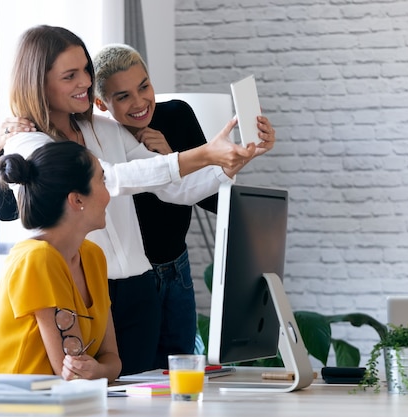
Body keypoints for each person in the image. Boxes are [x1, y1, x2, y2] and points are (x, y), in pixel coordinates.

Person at [0, 25, 261, 376]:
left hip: (140, 287)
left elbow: (172, 188)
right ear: (38, 83)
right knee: (101, 397)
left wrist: (231, 161)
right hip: (87, 293)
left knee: (149, 398)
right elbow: (110, 178)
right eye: (70, 75)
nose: (85, 81)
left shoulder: (105, 129)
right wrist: (204, 154)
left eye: (85, 69)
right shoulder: (28, 145)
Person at [91, 44, 276, 369]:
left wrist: (186, 157)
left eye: (144, 86)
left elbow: (206, 196)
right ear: (101, 103)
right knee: (138, 374)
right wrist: (172, 163)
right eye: (122, 96)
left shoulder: (176, 114)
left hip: (176, 270)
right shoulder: (104, 137)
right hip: (131, 280)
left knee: (180, 373)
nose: (139, 102)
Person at [0, 141, 121, 382]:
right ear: (77, 200)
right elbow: (70, 372)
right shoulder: (38, 258)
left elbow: (111, 359)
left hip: (56, 402)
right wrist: (97, 372)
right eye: (101, 181)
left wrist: (100, 371)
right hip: (5, 405)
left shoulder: (93, 256)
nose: (108, 193)